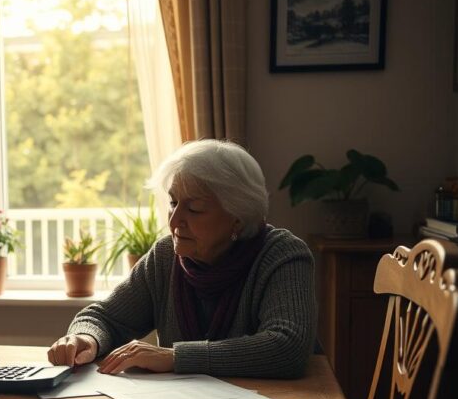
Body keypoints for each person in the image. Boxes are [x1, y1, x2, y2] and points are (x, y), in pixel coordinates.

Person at [48, 139, 315, 379]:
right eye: (174, 203)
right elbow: (105, 317)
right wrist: (86, 338)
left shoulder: (283, 255)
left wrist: (176, 357)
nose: (175, 221)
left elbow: (287, 347)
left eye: (195, 208)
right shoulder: (165, 256)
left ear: (238, 216)